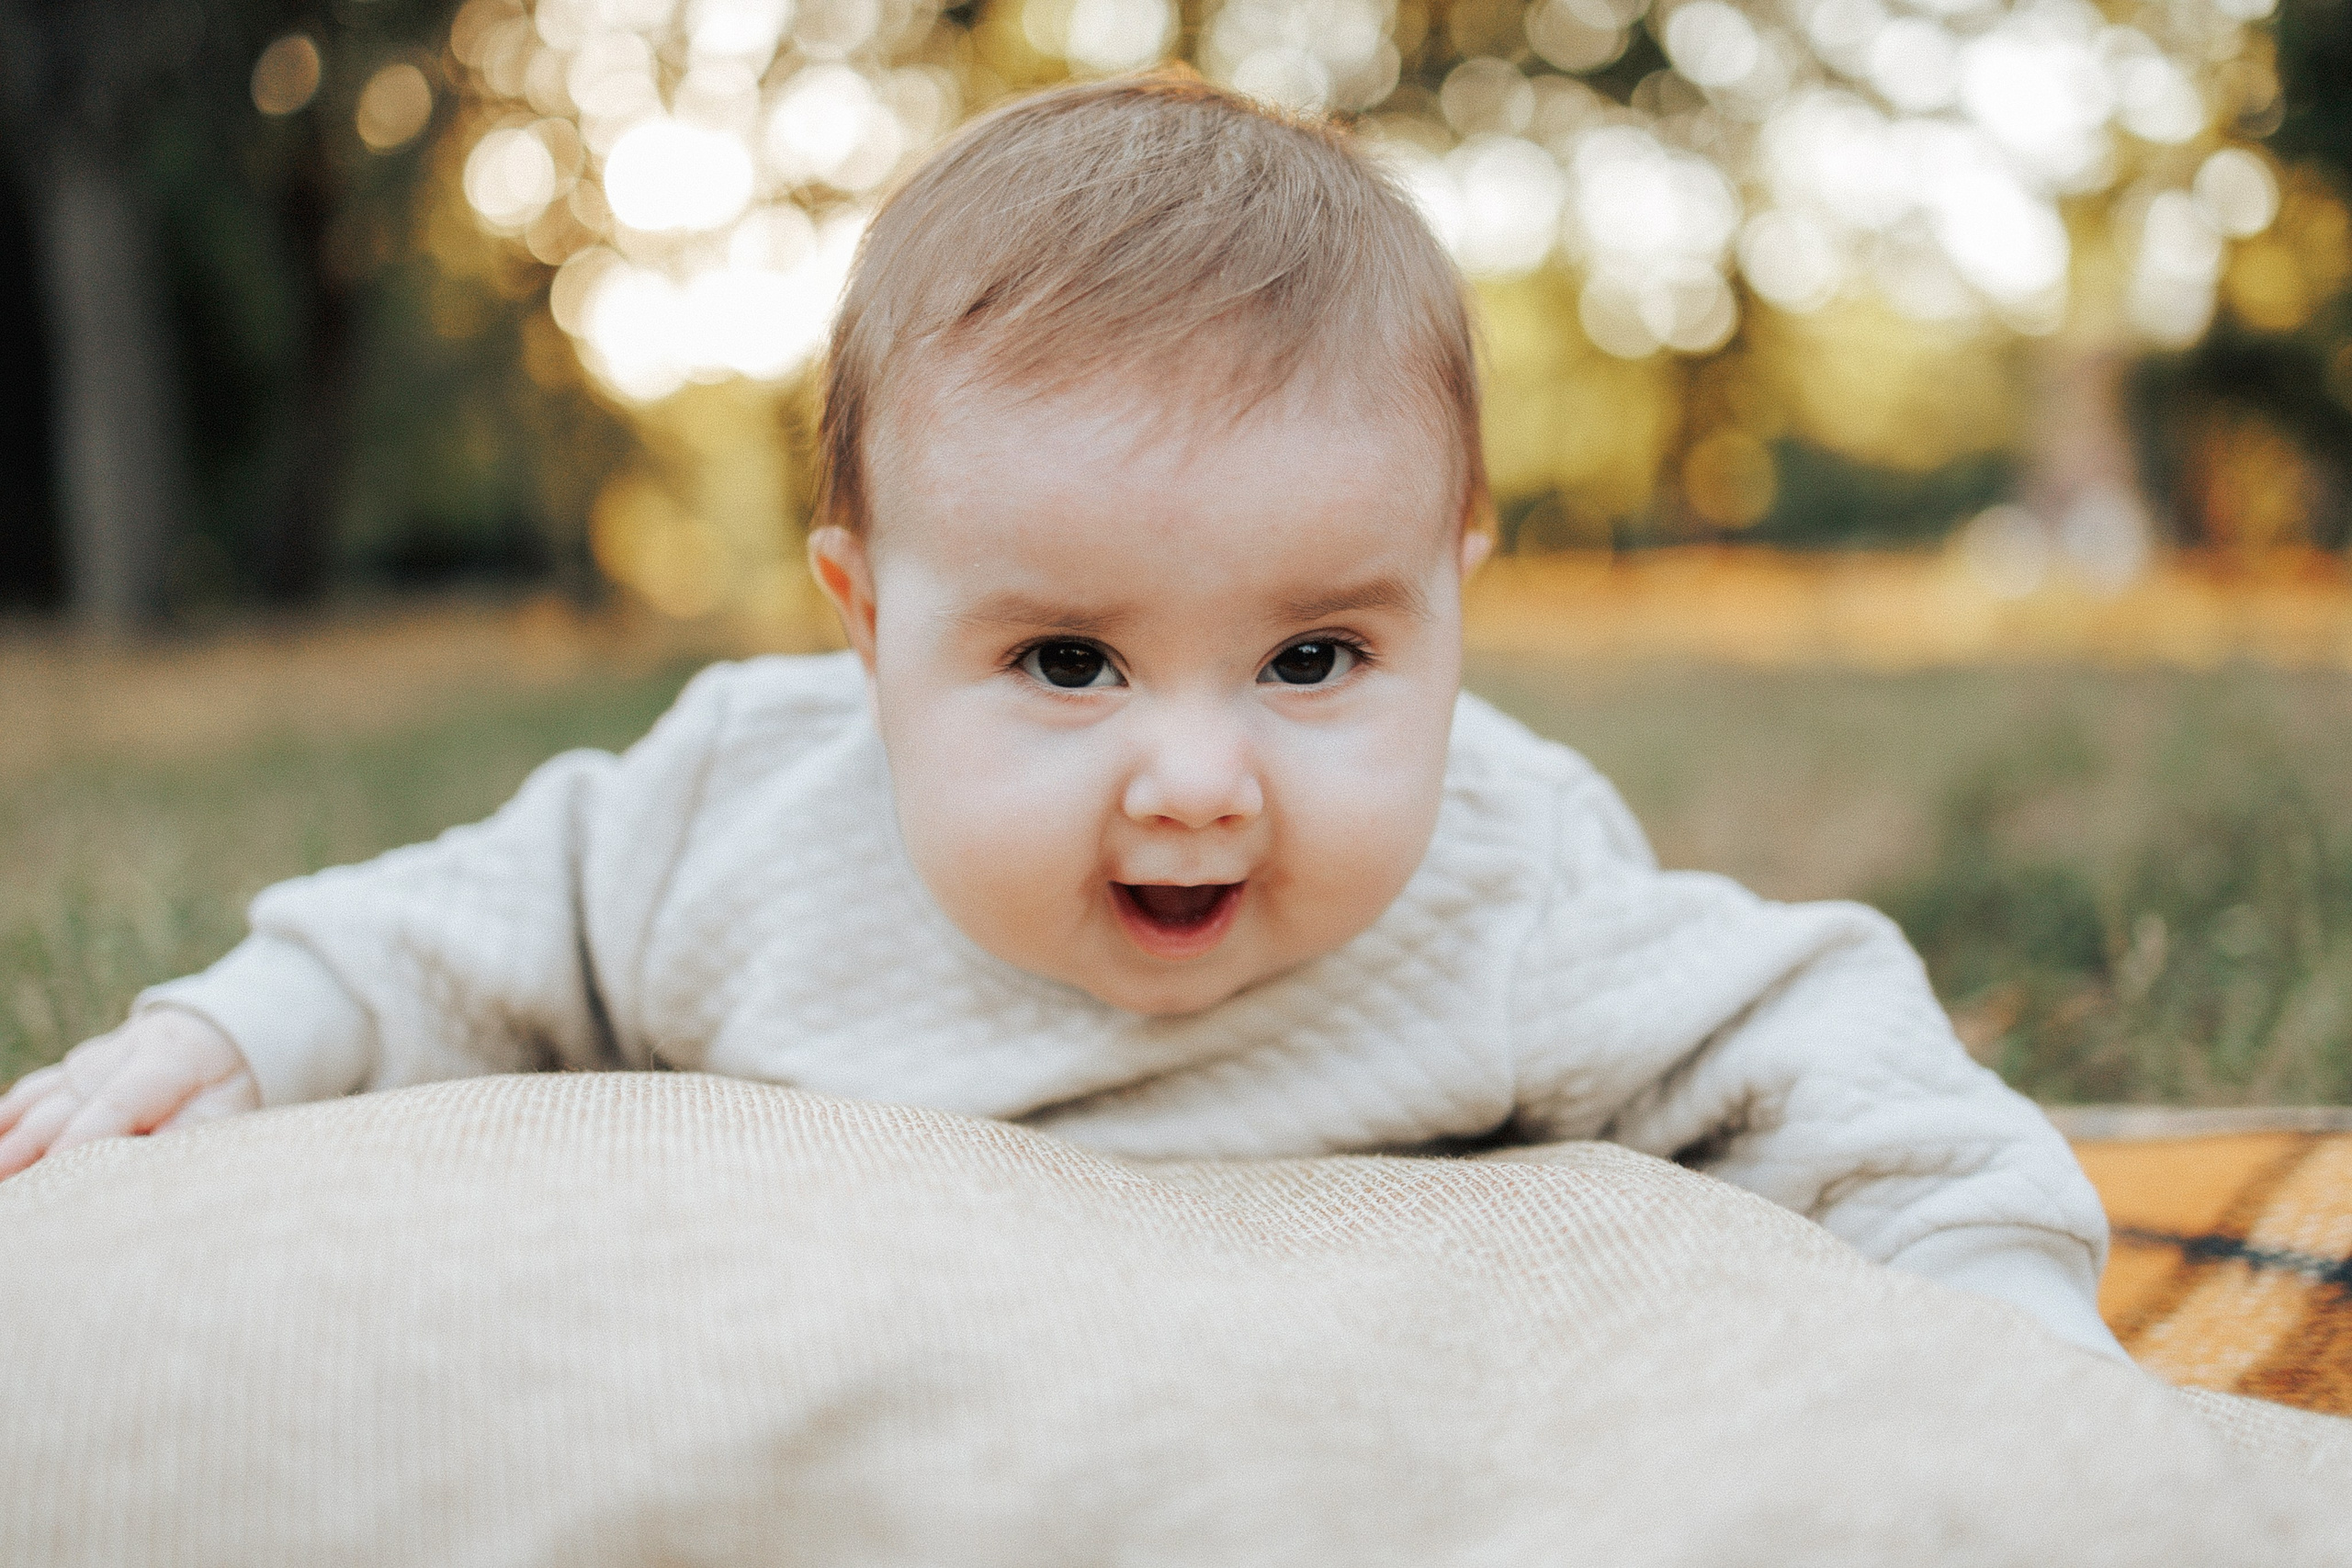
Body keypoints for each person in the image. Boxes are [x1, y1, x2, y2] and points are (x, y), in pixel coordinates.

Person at [0, 74, 2122, 1358]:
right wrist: (227, 1034)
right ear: (863, 619)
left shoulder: (1501, 878)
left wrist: (1993, 1316)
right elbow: (459, 924)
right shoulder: (739, 813)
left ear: (1455, 601)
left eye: (1314, 659)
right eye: (1066, 661)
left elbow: (1820, 1040)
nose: (1195, 778)